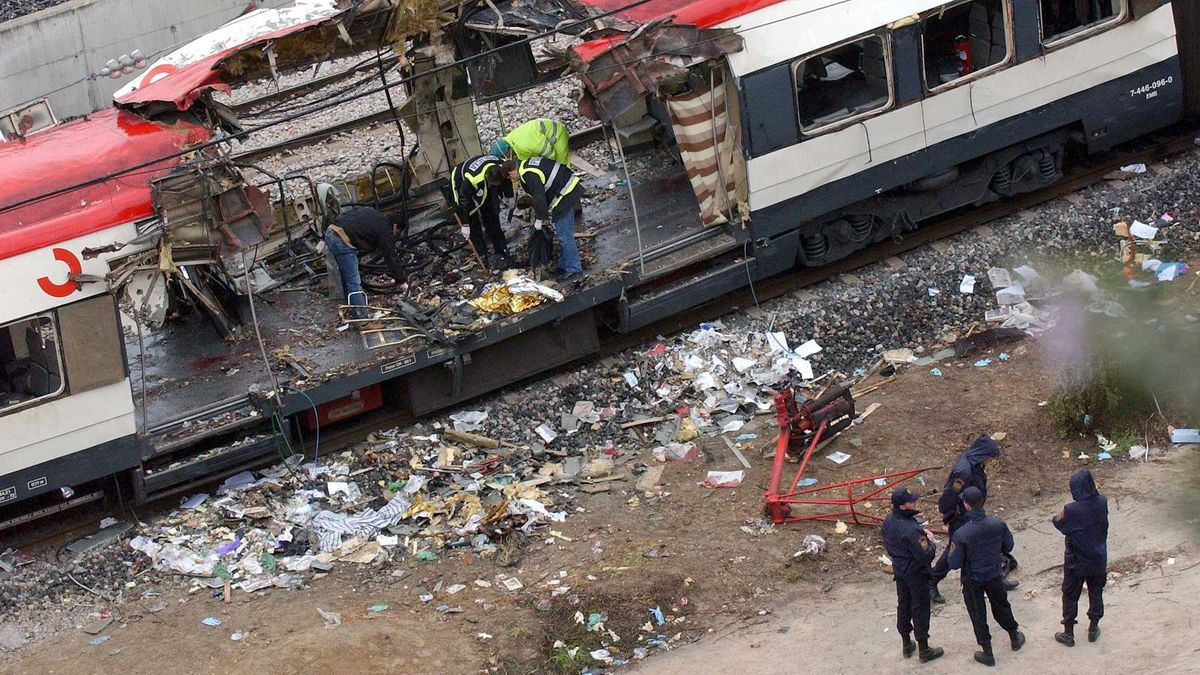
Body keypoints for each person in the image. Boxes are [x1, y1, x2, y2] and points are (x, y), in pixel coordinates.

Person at [930, 434, 1017, 603]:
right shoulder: (964, 471)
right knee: (954, 549)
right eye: (990, 458)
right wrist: (949, 514)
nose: (990, 462)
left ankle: (996, 577)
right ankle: (932, 580)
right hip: (961, 514)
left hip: (973, 510)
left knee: (988, 541)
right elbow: (950, 495)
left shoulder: (974, 464)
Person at [948, 486, 1025, 667]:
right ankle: (1014, 636)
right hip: (994, 573)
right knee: (1001, 605)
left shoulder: (961, 534)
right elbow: (1009, 545)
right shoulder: (997, 524)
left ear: (966, 505)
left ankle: (987, 651)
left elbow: (953, 563)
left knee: (978, 614)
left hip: (972, 579)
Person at [317, 183, 406, 323]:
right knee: (354, 281)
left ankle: (352, 310)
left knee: (347, 277)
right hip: (341, 239)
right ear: (395, 226)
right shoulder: (385, 229)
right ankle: (363, 321)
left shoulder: (374, 214)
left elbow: (350, 218)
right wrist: (401, 280)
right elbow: (391, 256)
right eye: (396, 231)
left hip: (331, 232)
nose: (394, 234)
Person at [880, 487, 945, 663]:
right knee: (920, 608)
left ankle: (907, 644)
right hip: (916, 572)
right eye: (911, 502)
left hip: (900, 570)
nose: (914, 503)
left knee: (903, 605)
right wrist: (930, 541)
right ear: (902, 506)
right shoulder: (910, 529)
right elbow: (925, 555)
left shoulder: (888, 520)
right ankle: (924, 649)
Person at [1052, 469, 1108, 647]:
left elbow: (1059, 524)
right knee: (1096, 593)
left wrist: (1057, 517)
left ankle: (1068, 633)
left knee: (1070, 596)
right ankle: (1093, 628)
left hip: (1076, 561)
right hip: (1098, 558)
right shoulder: (1102, 502)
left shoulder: (1071, 510)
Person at [504, 157, 583, 279]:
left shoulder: (527, 174)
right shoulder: (525, 164)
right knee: (562, 232)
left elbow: (539, 196)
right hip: (567, 184)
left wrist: (539, 220)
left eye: (510, 178)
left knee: (564, 235)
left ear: (511, 172)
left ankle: (574, 268)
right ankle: (564, 263)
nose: (513, 180)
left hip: (566, 193)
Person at [450, 154, 514, 269]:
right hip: (461, 177)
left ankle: (501, 249)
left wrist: (509, 196)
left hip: (486, 177)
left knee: (491, 214)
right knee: (472, 217)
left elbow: (507, 181)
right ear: (488, 180)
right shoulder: (472, 180)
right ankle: (482, 254)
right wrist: (465, 224)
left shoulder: (502, 166)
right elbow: (463, 201)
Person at [490, 118, 571, 167]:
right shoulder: (512, 142)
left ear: (507, 151)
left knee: (561, 167)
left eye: (505, 156)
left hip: (556, 134)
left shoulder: (524, 144)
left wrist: (549, 166)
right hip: (544, 136)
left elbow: (548, 152)